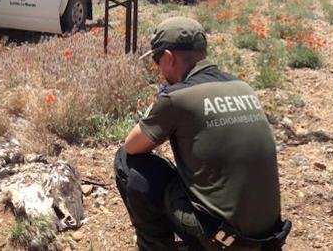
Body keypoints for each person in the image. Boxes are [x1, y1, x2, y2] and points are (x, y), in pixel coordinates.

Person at [114, 17, 291, 250]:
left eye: (158, 61)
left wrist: (161, 103)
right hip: (269, 239)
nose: (159, 69)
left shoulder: (178, 97)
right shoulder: (242, 88)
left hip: (224, 241)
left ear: (168, 57)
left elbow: (132, 146)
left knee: (128, 164)